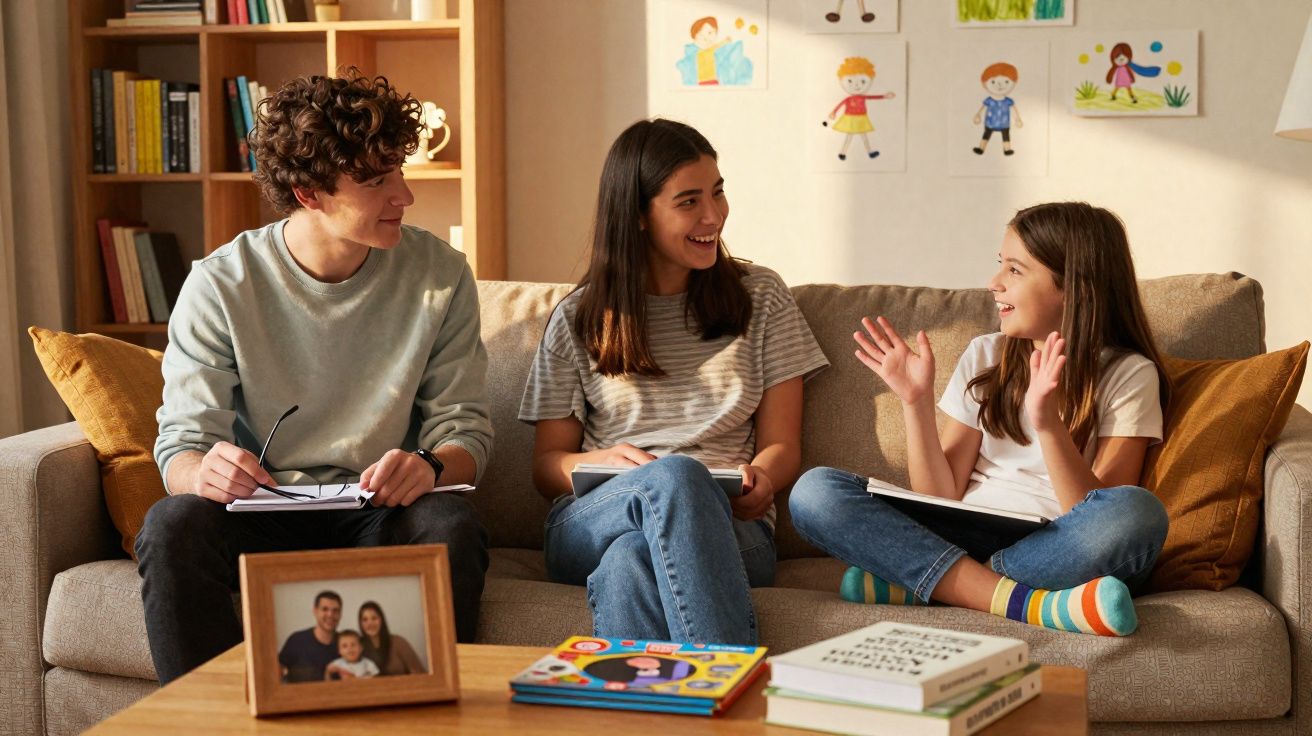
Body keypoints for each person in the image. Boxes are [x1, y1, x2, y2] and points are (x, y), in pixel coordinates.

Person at [135, 69, 493, 685]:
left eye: (399, 171)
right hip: (260, 511)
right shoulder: (221, 283)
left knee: (450, 524)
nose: (403, 195)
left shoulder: (441, 274)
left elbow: (465, 432)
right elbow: (181, 447)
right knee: (172, 525)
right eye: (378, 181)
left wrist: (432, 465)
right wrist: (205, 470)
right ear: (309, 194)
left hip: (378, 509)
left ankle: (413, 721)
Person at [789, 201, 1170, 637]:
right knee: (814, 492)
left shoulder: (1128, 373)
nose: (994, 284)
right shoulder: (986, 354)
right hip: (962, 533)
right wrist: (915, 402)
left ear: (1076, 289)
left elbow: (1095, 510)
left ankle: (928, 582)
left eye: (1015, 270)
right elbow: (941, 493)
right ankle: (1031, 604)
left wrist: (1047, 425)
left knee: (1138, 513)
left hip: (1054, 546)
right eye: (1000, 266)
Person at [519, 118, 829, 646]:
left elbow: (783, 444)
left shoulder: (763, 298)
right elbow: (548, 468)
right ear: (638, 215)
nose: (714, 216)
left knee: (631, 558)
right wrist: (599, 463)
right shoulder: (576, 318)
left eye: (718, 193)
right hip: (593, 521)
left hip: (733, 532)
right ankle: (730, 693)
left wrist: (762, 479)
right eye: (689, 201)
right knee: (676, 477)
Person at [823, 56, 895, 161]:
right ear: (841, 80)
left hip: (861, 118)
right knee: (850, 136)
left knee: (862, 136)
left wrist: (884, 96)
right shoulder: (848, 99)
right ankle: (843, 153)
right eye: (850, 81)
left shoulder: (862, 97)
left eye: (862, 81)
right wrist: (833, 112)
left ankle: (868, 152)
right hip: (850, 118)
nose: (856, 85)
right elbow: (840, 105)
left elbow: (873, 97)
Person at [278, 591, 342, 683]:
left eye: (335, 611)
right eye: (325, 609)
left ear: (340, 614)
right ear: (315, 611)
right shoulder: (296, 641)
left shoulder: (347, 644)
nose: (330, 615)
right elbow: (277, 671)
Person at [359, 600, 426, 676]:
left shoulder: (398, 642)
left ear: (382, 620)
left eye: (374, 618)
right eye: (365, 620)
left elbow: (419, 673)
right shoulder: (356, 646)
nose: (370, 623)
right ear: (360, 623)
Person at [972, 62, 1023, 156]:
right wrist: (977, 115)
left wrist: (1018, 119)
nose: (1000, 85)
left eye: (1006, 82)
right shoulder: (989, 100)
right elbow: (982, 108)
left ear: (1014, 82)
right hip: (990, 122)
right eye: (993, 82)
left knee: (1006, 136)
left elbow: (1014, 110)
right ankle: (981, 148)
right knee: (986, 135)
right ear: (985, 83)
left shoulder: (1008, 101)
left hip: (1004, 123)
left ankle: (1007, 149)